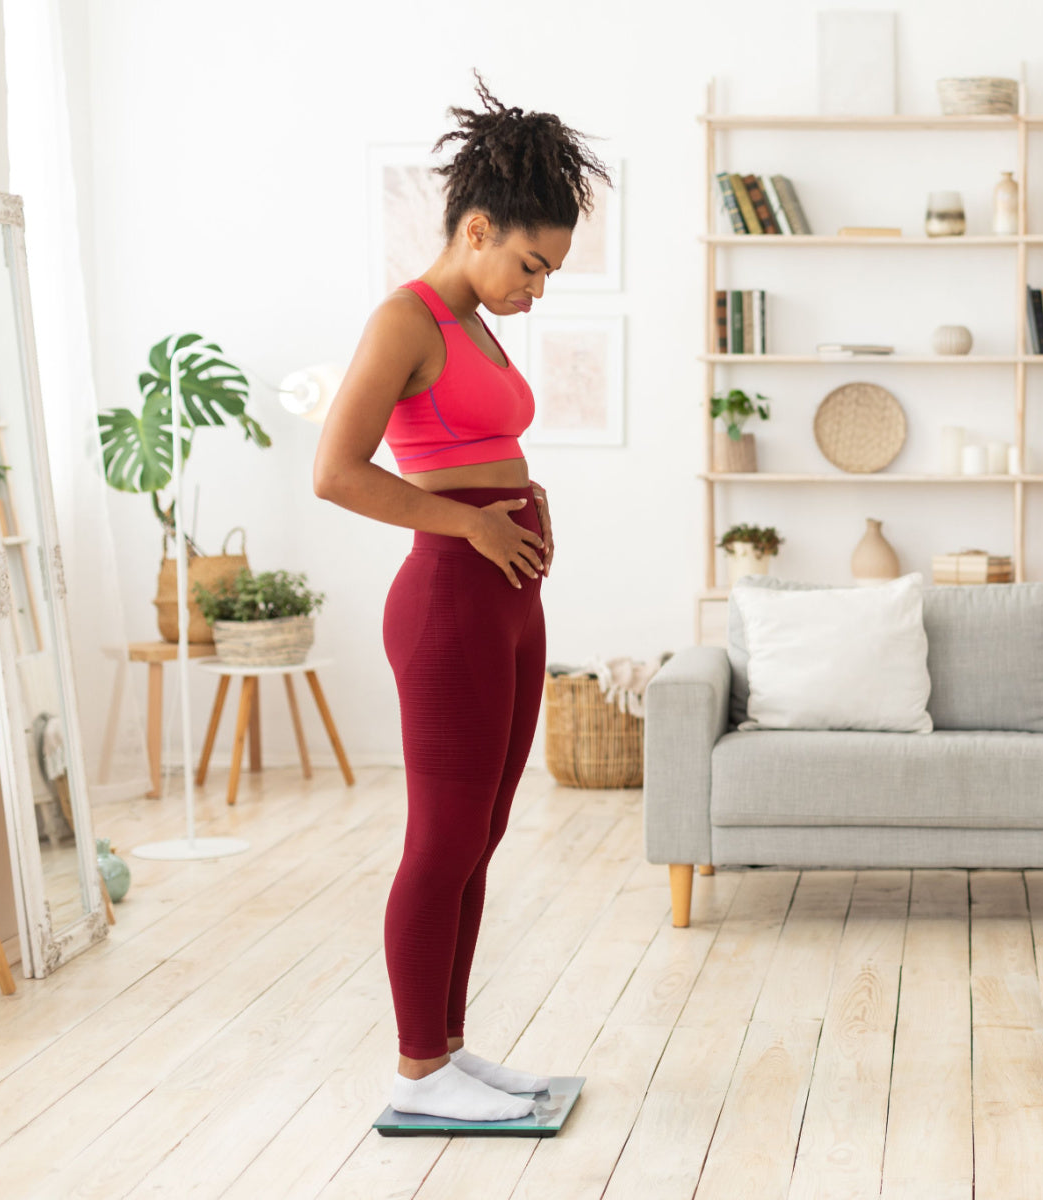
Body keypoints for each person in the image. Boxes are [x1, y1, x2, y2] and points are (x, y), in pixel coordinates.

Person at [313, 72, 611, 1122]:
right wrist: (477, 524)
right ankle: (416, 1072)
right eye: (531, 263)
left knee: (481, 833)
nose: (540, 287)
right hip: (447, 603)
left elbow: (472, 444)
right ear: (477, 228)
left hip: (504, 600)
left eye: (553, 271)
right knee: (442, 838)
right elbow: (336, 471)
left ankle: (449, 1049)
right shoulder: (407, 318)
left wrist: (525, 498)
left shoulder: (475, 319)